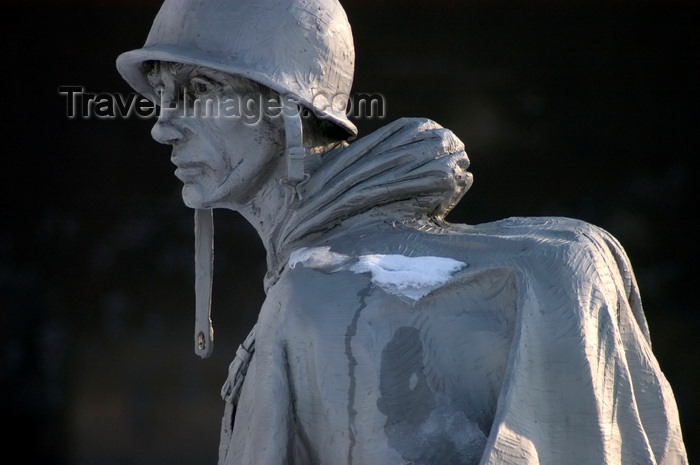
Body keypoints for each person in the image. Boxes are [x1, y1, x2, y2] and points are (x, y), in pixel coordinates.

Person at [117, 0, 688, 464]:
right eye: (161, 96)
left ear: (284, 106)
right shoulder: (317, 283)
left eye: (197, 91)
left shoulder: (327, 296)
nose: (162, 127)